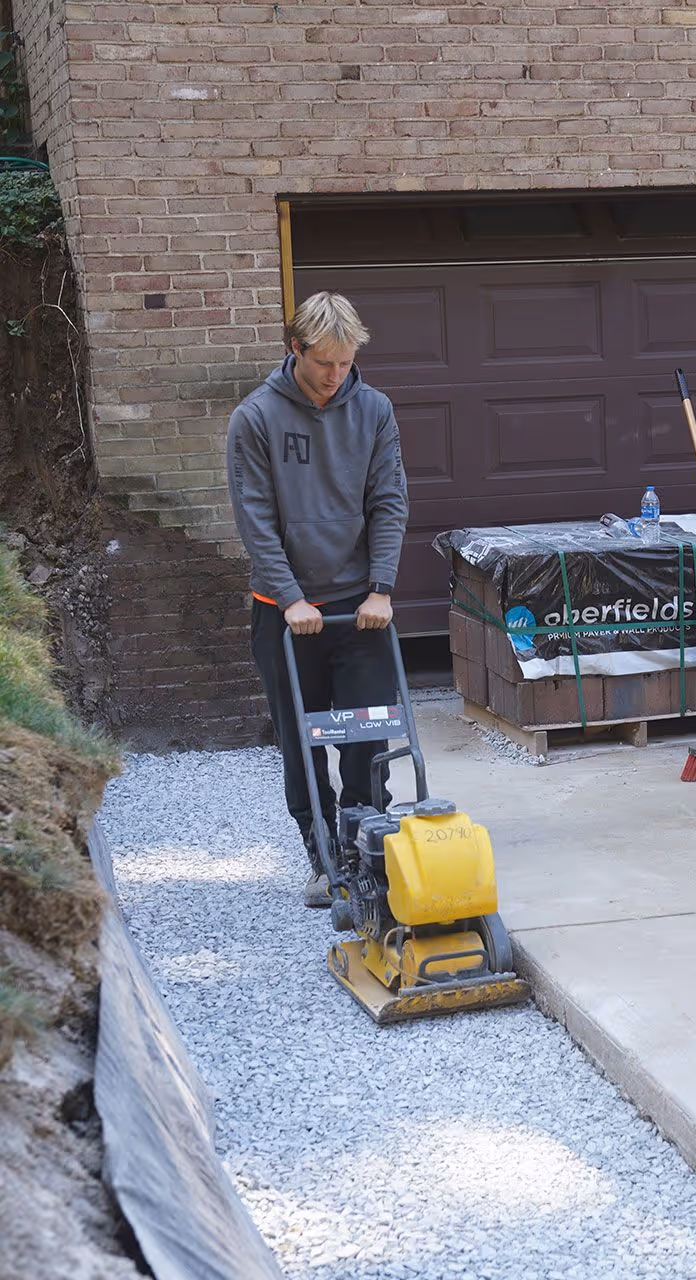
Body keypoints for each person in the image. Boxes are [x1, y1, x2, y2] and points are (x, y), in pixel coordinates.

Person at [227, 291, 409, 905]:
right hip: (286, 614)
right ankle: (322, 854)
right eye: (324, 362)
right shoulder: (255, 418)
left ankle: (366, 847)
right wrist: (290, 597)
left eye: (346, 362)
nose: (337, 375)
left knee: (366, 735)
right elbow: (255, 518)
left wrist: (381, 586)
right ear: (294, 348)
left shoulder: (374, 409)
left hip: (360, 609)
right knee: (301, 740)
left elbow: (389, 501)